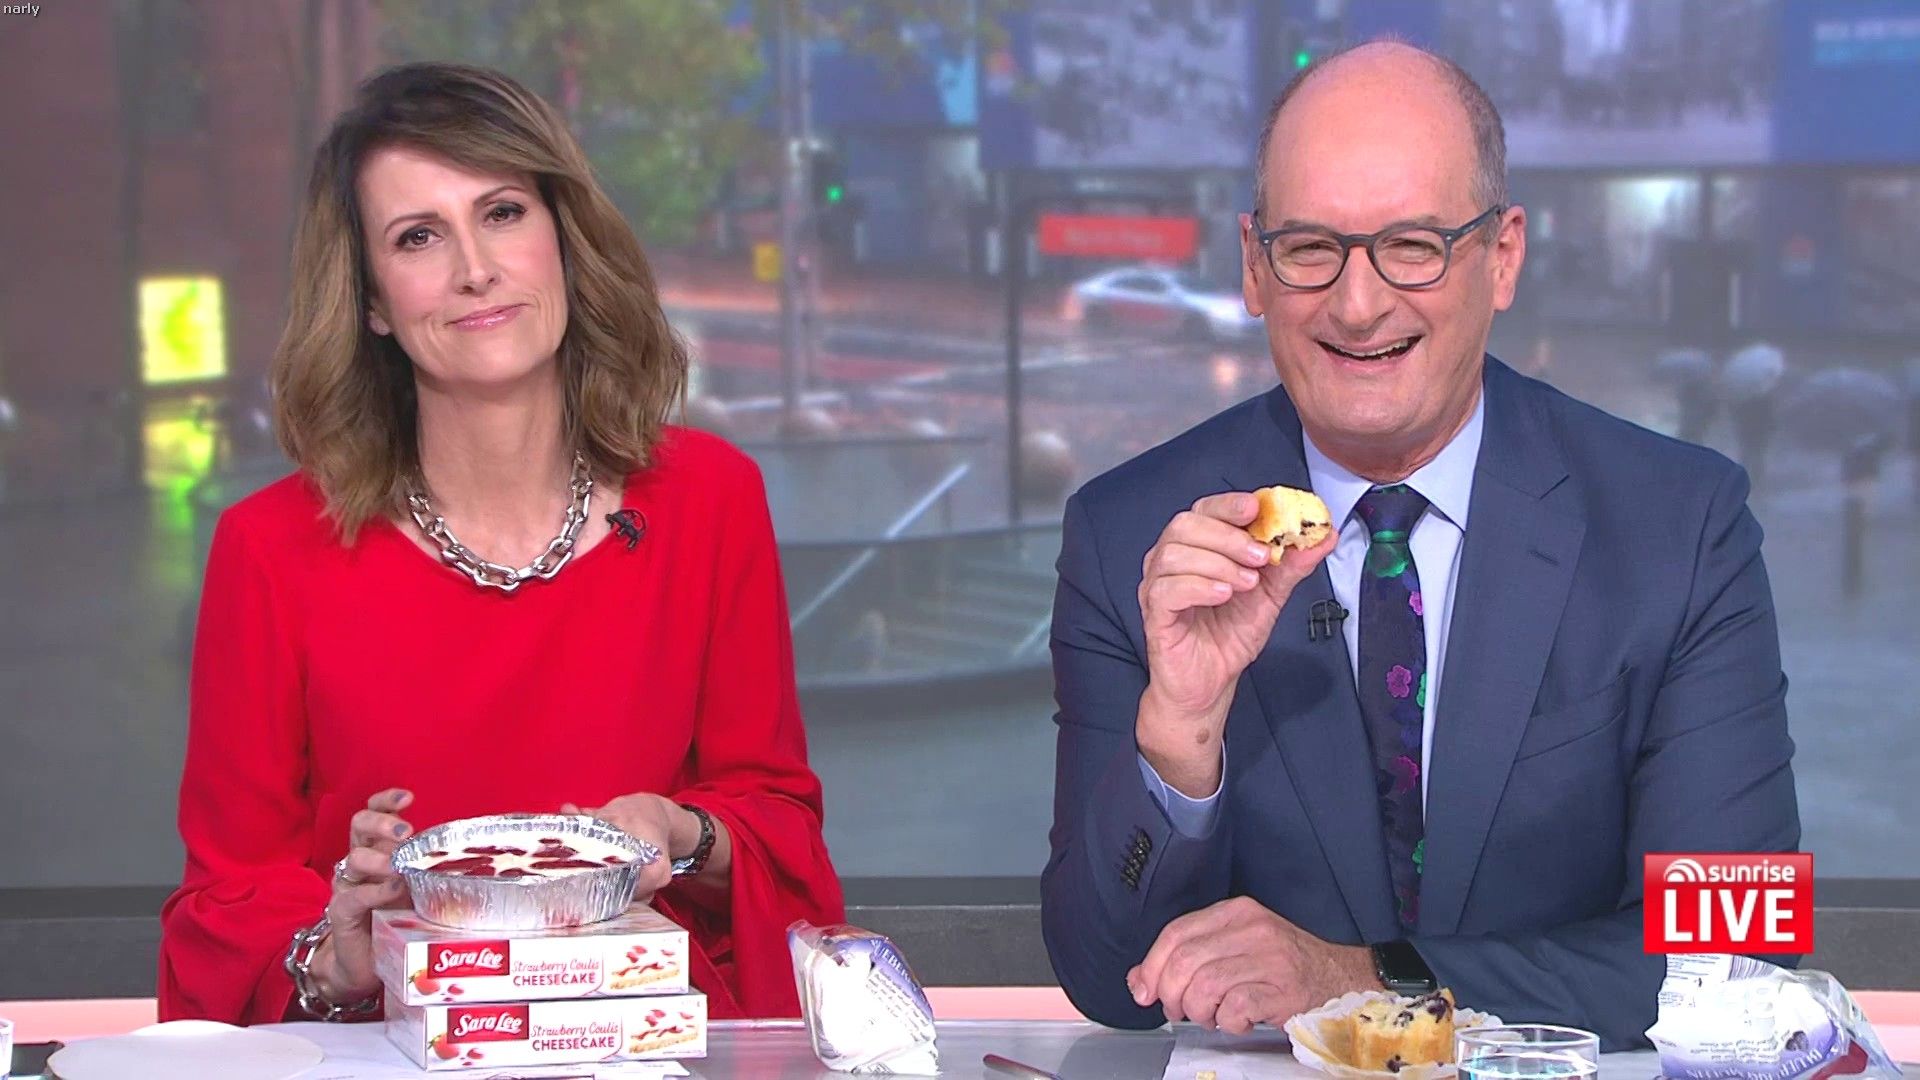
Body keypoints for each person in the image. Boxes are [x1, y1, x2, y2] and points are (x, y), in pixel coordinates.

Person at [1040, 41, 1798, 1050]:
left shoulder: (1680, 527)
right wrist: (1178, 737)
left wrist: (1359, 981)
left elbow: (1738, 967)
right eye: (1310, 248)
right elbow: (1106, 979)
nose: (1358, 305)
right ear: (1254, 267)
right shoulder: (1131, 537)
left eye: (1413, 246)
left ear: (1504, 255)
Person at [158, 62, 844, 1025]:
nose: (474, 268)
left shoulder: (711, 500)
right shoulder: (270, 550)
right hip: (389, 1054)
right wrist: (336, 957)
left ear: (562, 238)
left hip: (648, 1042)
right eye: (418, 236)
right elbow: (225, 905)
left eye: (504, 213)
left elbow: (779, 829)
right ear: (372, 301)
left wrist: (680, 832)